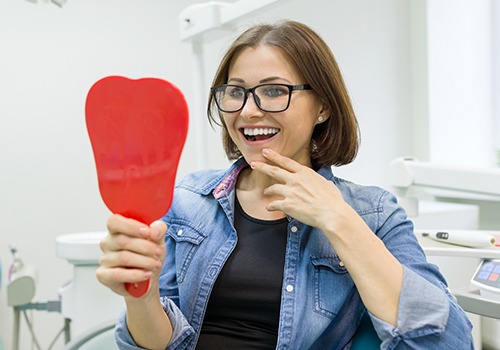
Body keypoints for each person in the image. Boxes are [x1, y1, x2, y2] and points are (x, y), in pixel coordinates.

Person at [96, 20, 474, 349]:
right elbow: (158, 344)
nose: (248, 110)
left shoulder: (372, 213)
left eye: (274, 91)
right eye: (235, 91)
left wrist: (338, 219)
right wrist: (141, 295)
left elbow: (448, 341)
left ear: (323, 107)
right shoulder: (189, 200)